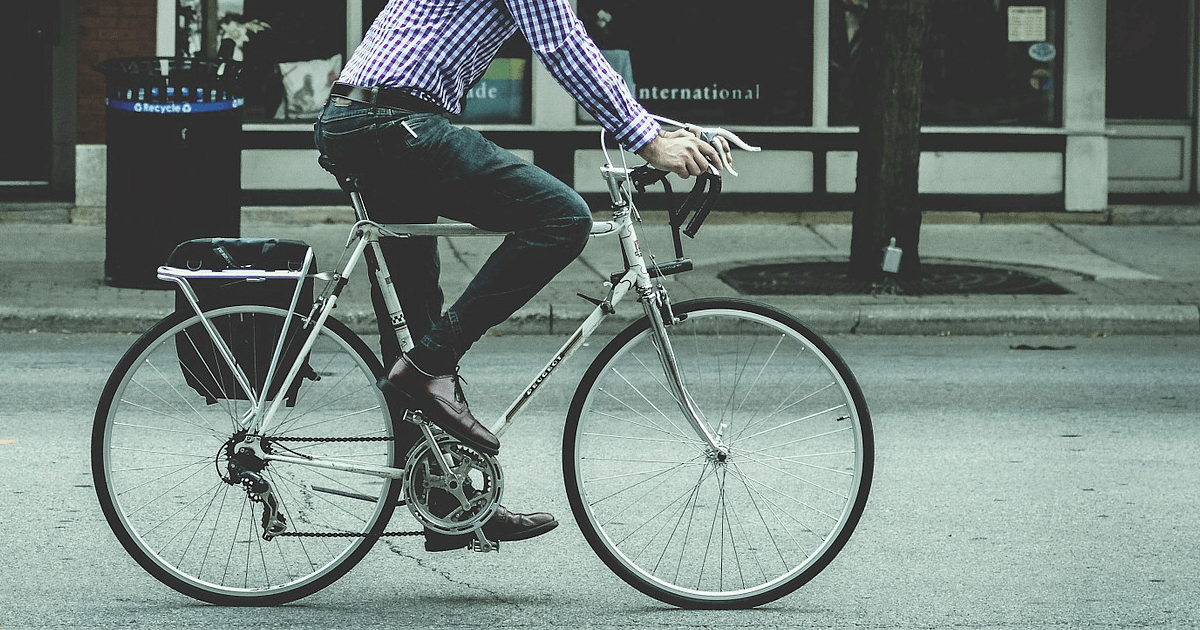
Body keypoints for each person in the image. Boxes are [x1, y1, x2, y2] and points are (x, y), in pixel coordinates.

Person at [314, 0, 729, 552]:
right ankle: (425, 370)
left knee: (415, 314)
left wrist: (665, 128)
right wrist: (647, 138)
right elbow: (560, 42)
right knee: (561, 218)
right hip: (395, 122)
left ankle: (447, 502)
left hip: (364, 118)